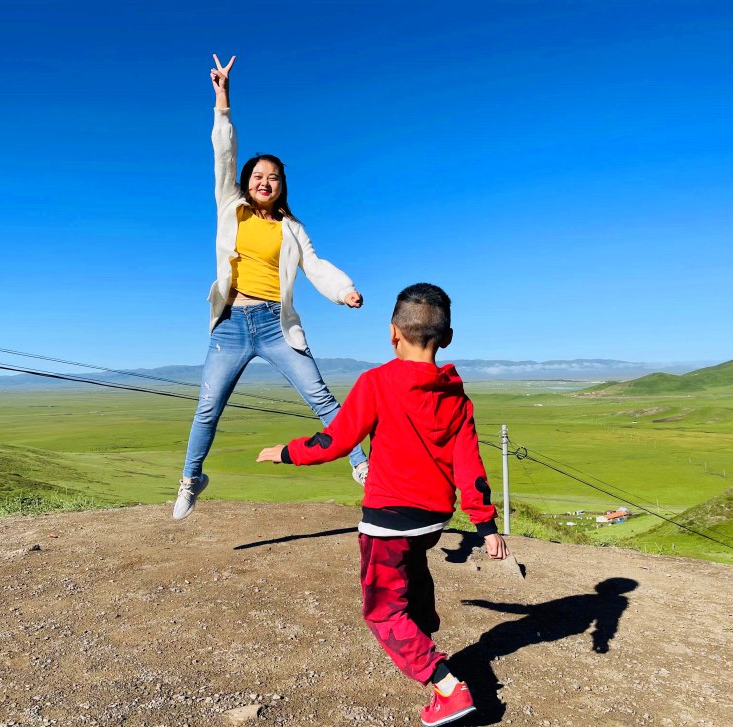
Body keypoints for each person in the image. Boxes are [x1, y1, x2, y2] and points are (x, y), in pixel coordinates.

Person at [257, 283, 509, 726]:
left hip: (388, 520)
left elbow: (335, 441)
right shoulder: (456, 398)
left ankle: (446, 687)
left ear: (393, 333)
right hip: (432, 520)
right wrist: (486, 527)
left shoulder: (376, 383)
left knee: (382, 611)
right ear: (447, 337)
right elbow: (471, 467)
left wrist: (287, 453)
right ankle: (422, 631)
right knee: (413, 566)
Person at [174, 54, 369, 521]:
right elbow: (223, 154)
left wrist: (343, 290)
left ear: (282, 186)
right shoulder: (231, 207)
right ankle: (191, 480)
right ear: (246, 182)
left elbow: (315, 265)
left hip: (275, 324)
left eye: (273, 177)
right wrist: (222, 100)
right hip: (230, 325)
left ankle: (361, 466)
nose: (265, 182)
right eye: (258, 176)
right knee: (208, 407)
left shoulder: (291, 228)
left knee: (321, 397)